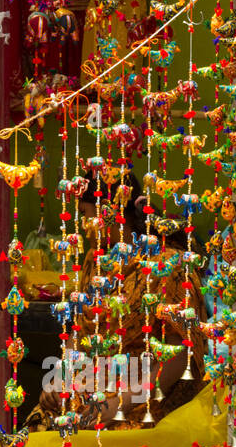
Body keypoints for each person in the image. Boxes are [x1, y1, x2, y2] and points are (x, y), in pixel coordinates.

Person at [27, 168, 206, 430]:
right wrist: (60, 379)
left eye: (87, 215)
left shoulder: (170, 267)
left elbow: (180, 355)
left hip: (146, 400)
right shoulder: (94, 261)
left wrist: (119, 404)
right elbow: (79, 334)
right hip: (93, 389)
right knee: (39, 430)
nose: (84, 227)